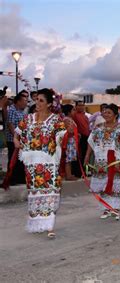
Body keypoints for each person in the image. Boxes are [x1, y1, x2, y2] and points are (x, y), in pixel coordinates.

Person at [13, 88, 66, 239]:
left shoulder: (56, 120)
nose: (37, 103)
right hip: (32, 164)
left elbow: (62, 138)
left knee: (50, 191)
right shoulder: (28, 118)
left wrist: (66, 133)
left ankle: (49, 225)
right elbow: (17, 133)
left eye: (41, 100)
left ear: (49, 104)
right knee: (34, 192)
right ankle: (37, 224)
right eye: (36, 99)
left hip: (48, 163)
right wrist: (17, 141)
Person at [84, 104, 120, 220]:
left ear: (115, 115)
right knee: (103, 183)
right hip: (101, 159)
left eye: (109, 113)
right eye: (104, 112)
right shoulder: (97, 128)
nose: (106, 114)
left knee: (115, 183)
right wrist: (87, 155)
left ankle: (116, 209)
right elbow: (90, 142)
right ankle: (106, 208)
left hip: (115, 159)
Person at [6, 93, 28, 185]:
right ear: (18, 101)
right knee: (13, 159)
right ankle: (11, 179)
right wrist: (16, 138)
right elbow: (10, 125)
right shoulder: (12, 110)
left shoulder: (21, 111)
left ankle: (20, 178)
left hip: (21, 140)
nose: (26, 103)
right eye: (24, 101)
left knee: (20, 160)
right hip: (13, 140)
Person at [61, 104, 79, 181]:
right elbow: (69, 131)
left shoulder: (69, 119)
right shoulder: (67, 120)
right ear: (69, 112)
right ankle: (68, 175)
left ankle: (69, 174)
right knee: (68, 159)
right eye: (73, 110)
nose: (75, 111)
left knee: (70, 159)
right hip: (69, 141)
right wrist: (76, 133)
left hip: (72, 140)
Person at [72, 100, 91, 168]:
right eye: (79, 105)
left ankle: (86, 169)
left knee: (86, 154)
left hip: (87, 137)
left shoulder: (85, 115)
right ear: (76, 106)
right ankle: (81, 171)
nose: (81, 107)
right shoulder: (74, 115)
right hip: (80, 137)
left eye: (82, 105)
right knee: (81, 155)